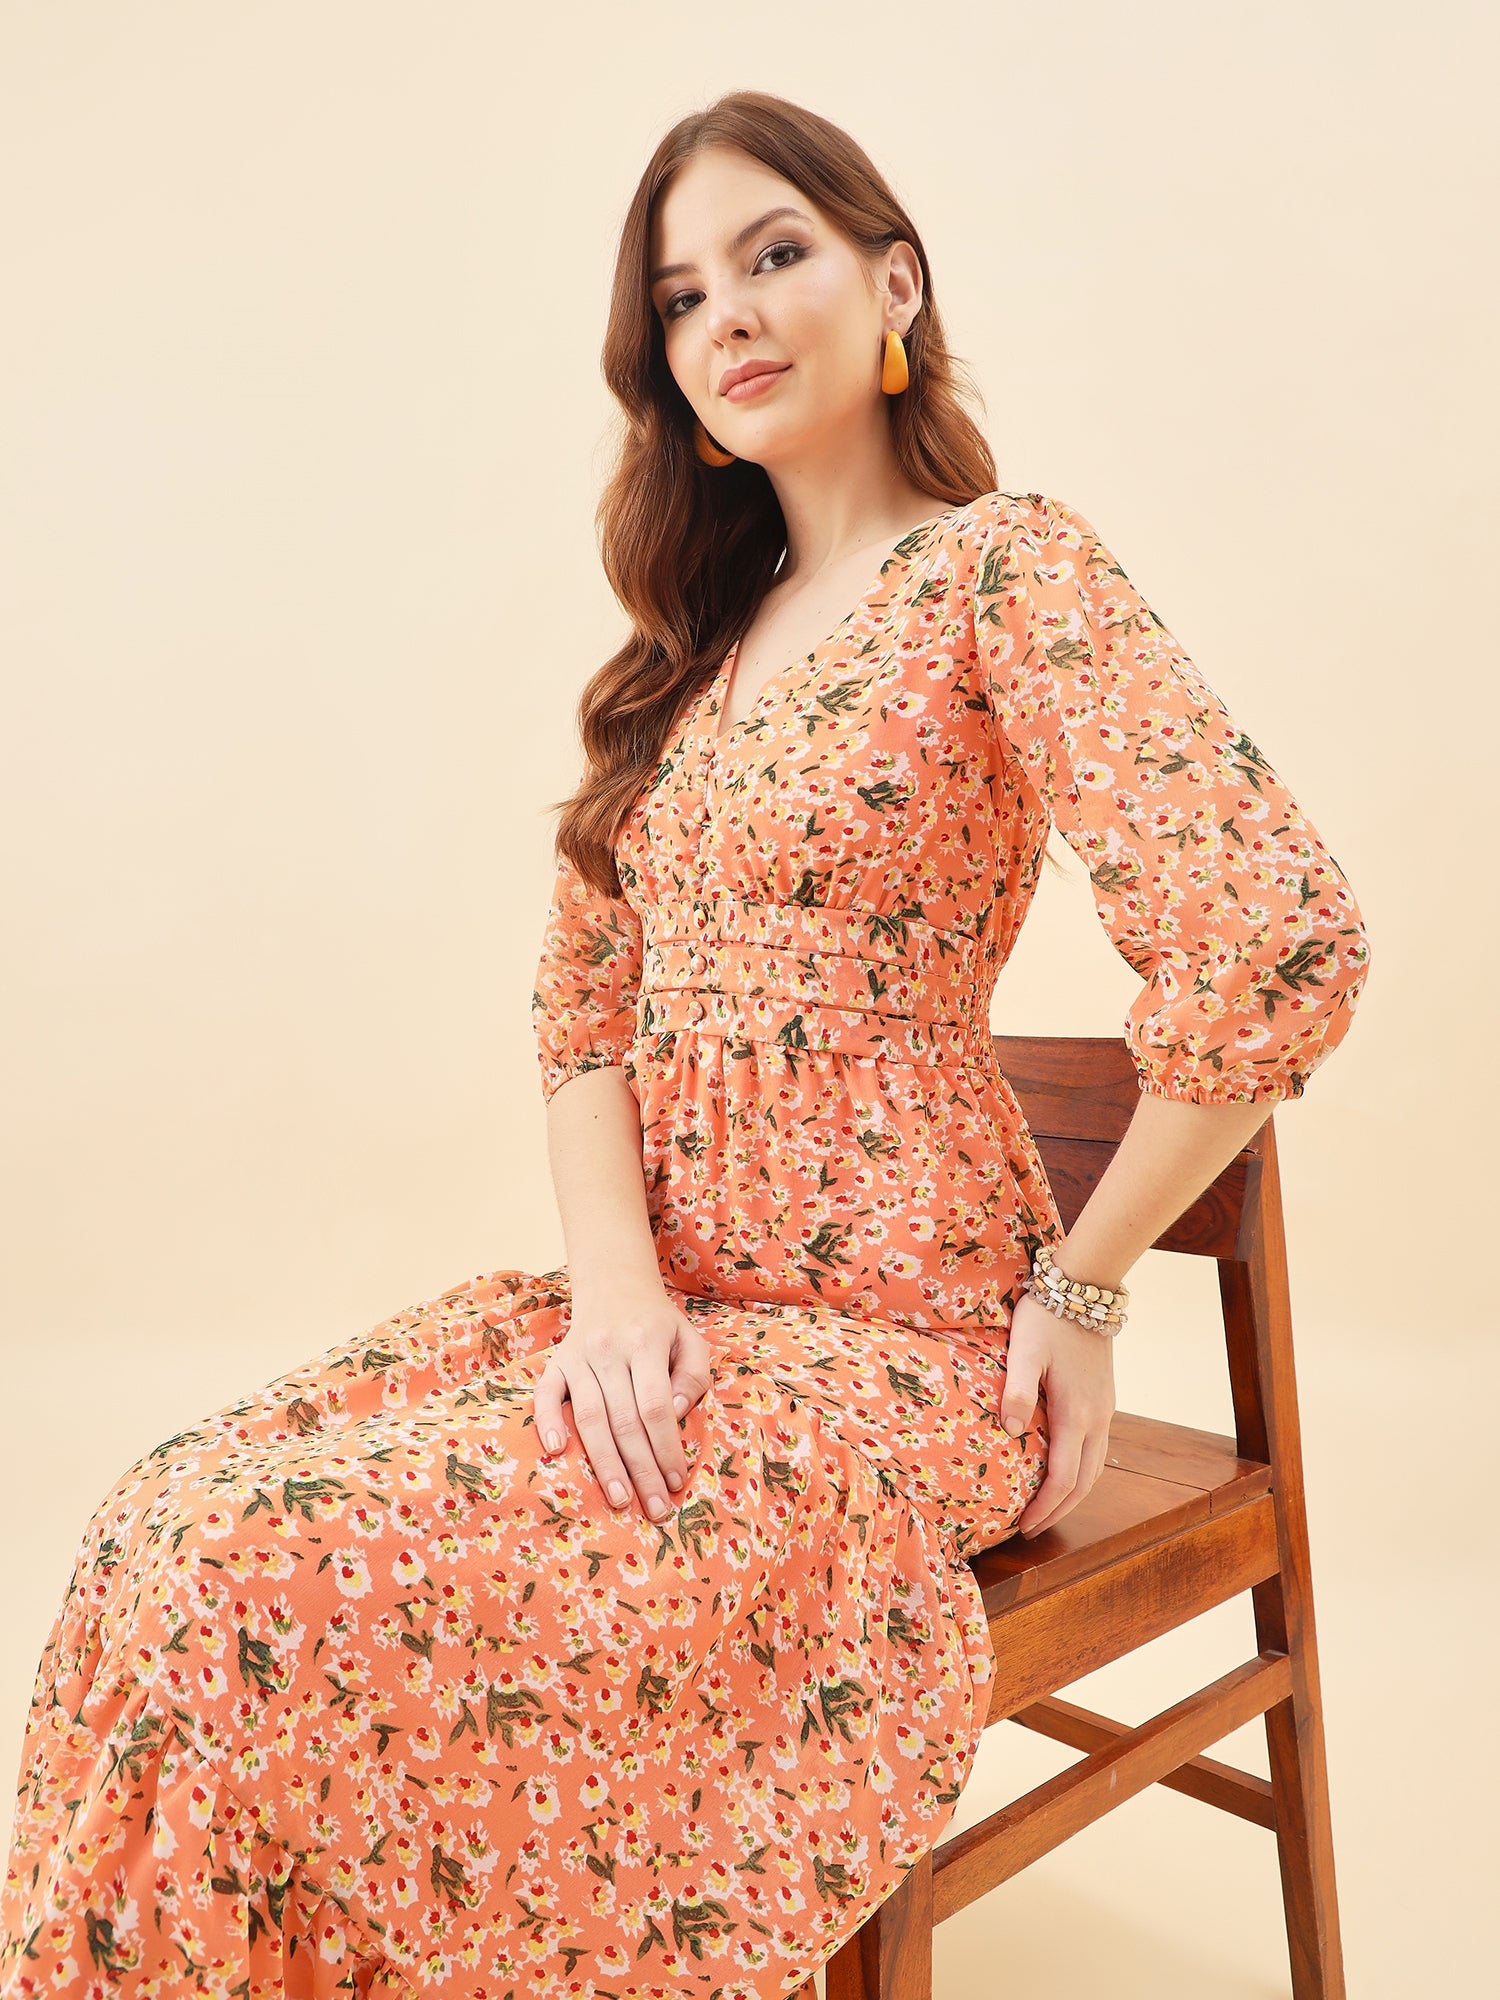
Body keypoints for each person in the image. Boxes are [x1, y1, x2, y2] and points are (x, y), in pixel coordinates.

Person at [0, 89, 1372, 2000]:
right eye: (680, 293)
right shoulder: (688, 664)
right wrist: (616, 1295)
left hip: (895, 1348)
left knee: (270, 1586)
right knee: (174, 1523)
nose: (725, 312)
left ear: (892, 278)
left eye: (776, 253)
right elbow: (580, 1009)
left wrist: (1080, 1283)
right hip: (664, 1321)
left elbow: (1274, 936)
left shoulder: (1002, 575)